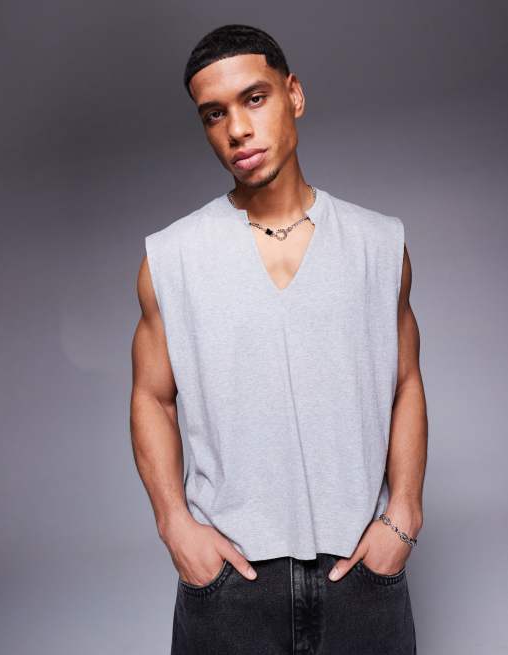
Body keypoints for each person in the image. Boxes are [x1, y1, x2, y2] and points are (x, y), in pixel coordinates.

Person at [130, 23, 427, 655]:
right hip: (230, 583)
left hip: (362, 573)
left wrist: (404, 513)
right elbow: (151, 397)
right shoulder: (171, 258)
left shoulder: (380, 245)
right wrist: (175, 525)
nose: (237, 129)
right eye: (215, 114)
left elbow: (405, 382)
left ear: (294, 94)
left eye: (254, 98)